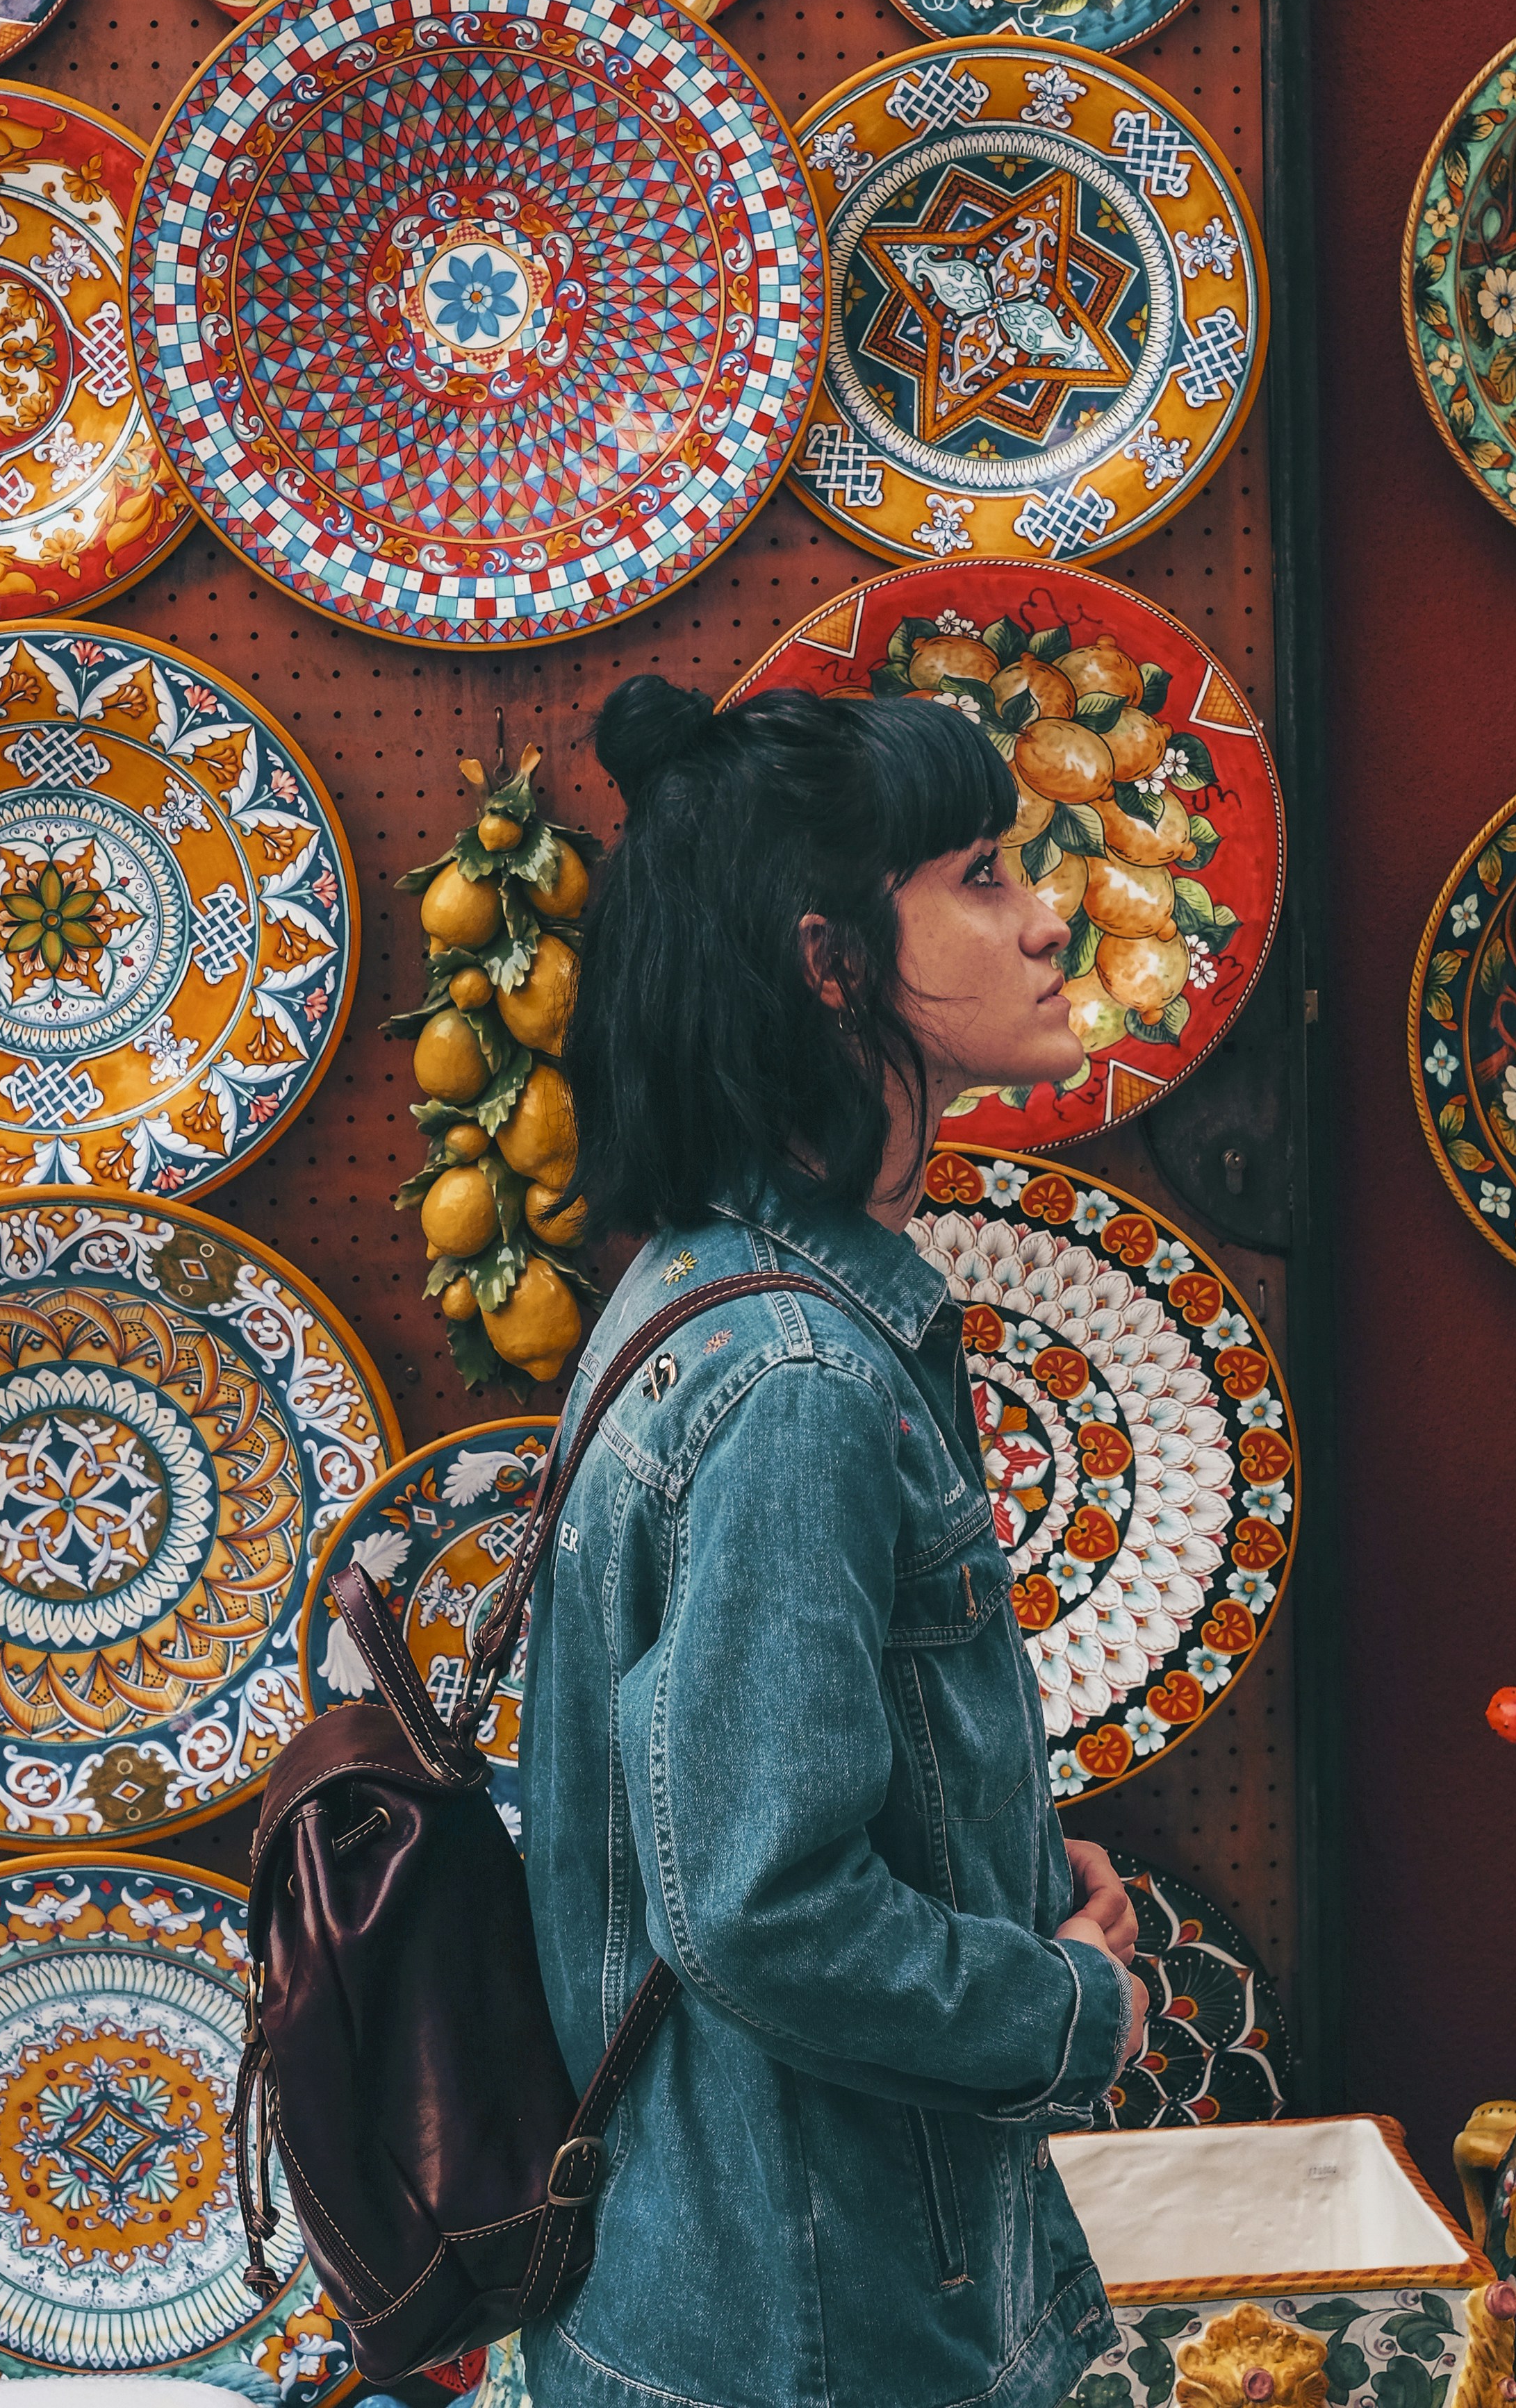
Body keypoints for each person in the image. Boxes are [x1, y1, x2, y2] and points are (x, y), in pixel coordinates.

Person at [521, 674, 1149, 2408]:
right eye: (980, 877)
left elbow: (739, 1813)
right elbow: (763, 1906)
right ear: (830, 962)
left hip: (726, 2293)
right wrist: (1069, 2012)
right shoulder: (798, 1374)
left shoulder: (700, 1291)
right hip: (813, 2333)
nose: (1047, 921)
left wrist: (1011, 1881)